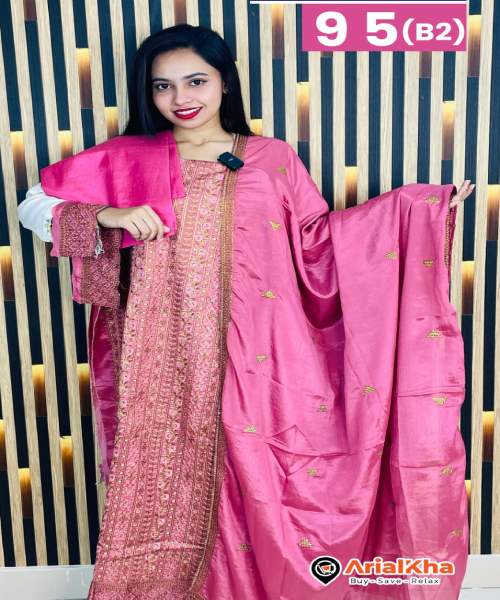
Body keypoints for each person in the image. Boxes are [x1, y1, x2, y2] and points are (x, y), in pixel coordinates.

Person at [18, 23, 474, 600]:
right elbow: (34, 204)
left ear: (224, 82)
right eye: (162, 86)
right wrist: (110, 214)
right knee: (174, 468)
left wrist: (417, 211)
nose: (181, 98)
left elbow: (318, 241)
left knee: (260, 468)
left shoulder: (269, 158)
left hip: (261, 351)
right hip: (165, 350)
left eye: (196, 81)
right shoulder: (128, 158)